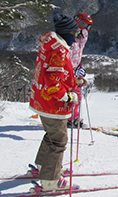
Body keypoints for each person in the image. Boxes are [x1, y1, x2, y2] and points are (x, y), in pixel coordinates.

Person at [29, 13, 81, 192]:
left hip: (41, 102)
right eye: (74, 34)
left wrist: (75, 82)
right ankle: (51, 181)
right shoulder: (59, 51)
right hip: (53, 106)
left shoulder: (50, 47)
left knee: (51, 136)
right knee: (59, 140)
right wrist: (68, 96)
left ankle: (45, 167)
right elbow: (53, 83)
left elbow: (54, 75)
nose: (76, 39)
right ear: (67, 33)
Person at [67, 13, 93, 128]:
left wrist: (79, 68)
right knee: (71, 96)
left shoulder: (81, 37)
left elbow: (78, 53)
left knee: (77, 95)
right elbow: (66, 57)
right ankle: (68, 118)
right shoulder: (69, 38)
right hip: (67, 72)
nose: (87, 30)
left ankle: (74, 117)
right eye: (86, 26)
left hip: (75, 70)